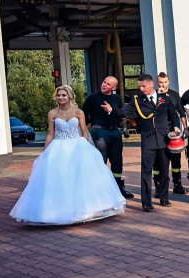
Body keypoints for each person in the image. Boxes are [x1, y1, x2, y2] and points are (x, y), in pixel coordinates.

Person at [10, 85, 126, 225]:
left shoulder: (79, 112)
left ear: (70, 96)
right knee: (59, 179)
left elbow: (84, 132)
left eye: (63, 95)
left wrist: (85, 148)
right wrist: (45, 151)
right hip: (58, 147)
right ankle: (56, 211)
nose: (60, 98)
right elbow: (51, 134)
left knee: (79, 178)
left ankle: (85, 209)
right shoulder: (52, 113)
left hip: (77, 145)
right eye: (58, 95)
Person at [122, 74, 182, 211]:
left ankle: (164, 198)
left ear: (151, 85)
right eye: (140, 86)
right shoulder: (137, 100)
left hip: (163, 138)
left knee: (164, 171)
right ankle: (146, 203)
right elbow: (125, 111)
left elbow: (173, 114)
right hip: (148, 140)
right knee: (146, 172)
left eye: (143, 86)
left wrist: (176, 126)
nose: (141, 89)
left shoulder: (164, 98)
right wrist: (111, 110)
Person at [81, 75, 133, 199]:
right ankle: (100, 189)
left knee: (117, 161)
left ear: (114, 87)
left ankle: (118, 188)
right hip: (99, 132)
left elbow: (122, 113)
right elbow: (83, 113)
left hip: (115, 132)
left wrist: (111, 110)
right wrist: (89, 122)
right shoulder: (93, 98)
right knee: (101, 160)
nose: (104, 85)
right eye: (104, 82)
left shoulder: (116, 99)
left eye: (108, 84)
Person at [157, 72, 187, 195]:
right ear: (157, 83)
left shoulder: (174, 95)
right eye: (160, 82)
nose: (163, 85)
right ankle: (159, 187)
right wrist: (158, 96)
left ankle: (177, 184)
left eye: (165, 82)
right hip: (158, 130)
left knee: (175, 158)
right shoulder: (154, 95)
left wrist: (184, 128)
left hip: (173, 129)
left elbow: (180, 112)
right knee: (158, 160)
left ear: (168, 82)